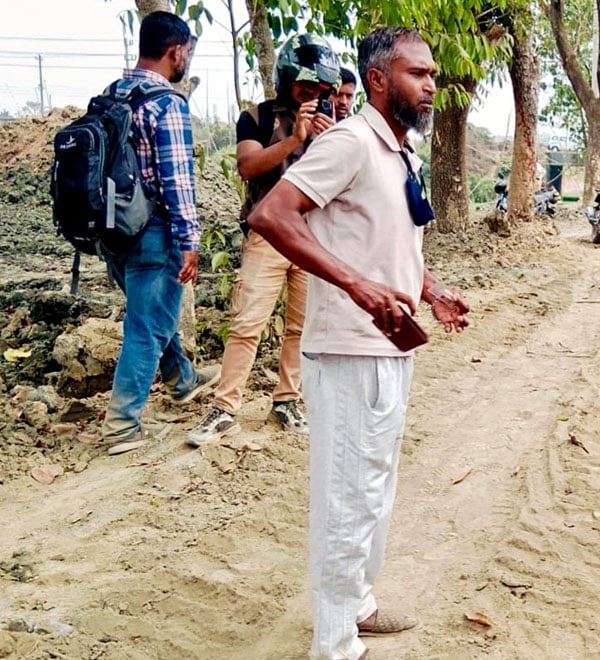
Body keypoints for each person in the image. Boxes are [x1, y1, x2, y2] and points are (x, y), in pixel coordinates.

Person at [247, 27, 470, 660]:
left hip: (390, 345)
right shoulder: (349, 143)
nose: (430, 85)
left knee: (375, 486)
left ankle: (357, 606)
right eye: (416, 74)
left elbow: (386, 240)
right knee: (346, 496)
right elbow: (271, 215)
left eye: (432, 75)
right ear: (377, 79)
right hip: (348, 349)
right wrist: (355, 284)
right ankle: (334, 644)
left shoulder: (399, 152)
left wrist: (430, 289)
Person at [188, 35, 340, 446]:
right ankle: (225, 408)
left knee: (302, 327)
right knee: (247, 324)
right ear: (286, 78)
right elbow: (248, 166)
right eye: (305, 84)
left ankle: (287, 400)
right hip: (268, 235)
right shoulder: (256, 117)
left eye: (321, 87)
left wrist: (330, 140)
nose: (313, 92)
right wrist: (295, 140)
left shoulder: (334, 125)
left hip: (313, 238)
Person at [100, 11, 219, 456]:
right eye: (186, 51)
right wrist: (190, 242)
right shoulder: (167, 104)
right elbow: (177, 181)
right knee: (146, 326)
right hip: (153, 231)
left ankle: (181, 379)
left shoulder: (112, 95)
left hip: (114, 230)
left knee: (149, 312)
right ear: (175, 51)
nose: (186, 59)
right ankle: (121, 425)